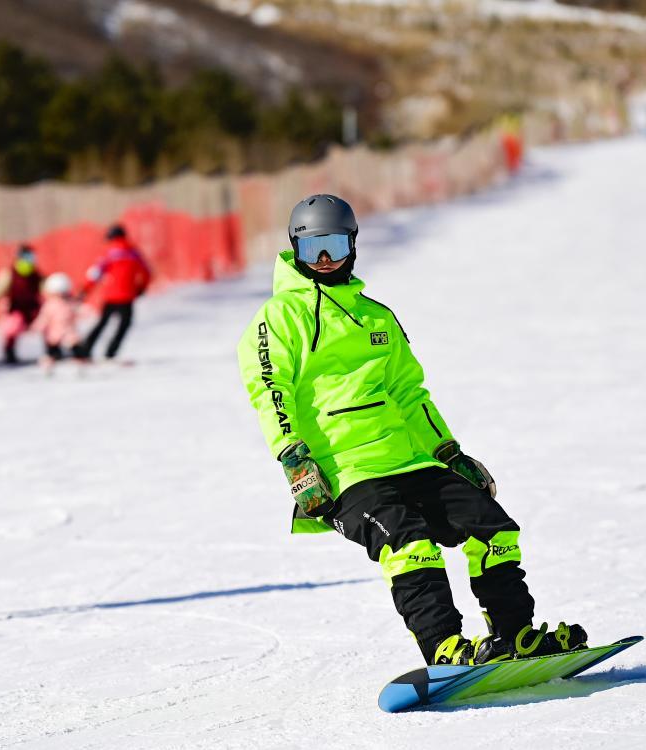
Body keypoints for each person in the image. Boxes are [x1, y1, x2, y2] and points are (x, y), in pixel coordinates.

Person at [236, 194, 587, 667]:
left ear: (354, 245)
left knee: (494, 526)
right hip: (344, 471)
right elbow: (269, 388)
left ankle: (514, 634)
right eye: (313, 248)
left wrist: (447, 452)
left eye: (335, 245)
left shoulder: (376, 317)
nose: (324, 260)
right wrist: (293, 456)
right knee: (409, 541)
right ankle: (444, 645)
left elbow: (409, 393)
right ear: (294, 249)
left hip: (410, 459)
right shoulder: (279, 319)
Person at [79, 225, 151, 361]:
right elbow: (147, 272)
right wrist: (141, 288)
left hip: (111, 295)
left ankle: (86, 348)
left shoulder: (109, 253)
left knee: (102, 323)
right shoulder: (134, 252)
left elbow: (96, 273)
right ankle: (111, 351)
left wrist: (85, 290)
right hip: (128, 296)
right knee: (124, 324)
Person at [0, 244, 44, 364]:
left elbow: (48, 290)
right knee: (13, 327)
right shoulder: (10, 274)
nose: (30, 260)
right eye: (27, 257)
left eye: (31, 257)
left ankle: (53, 350)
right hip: (15, 309)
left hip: (32, 310)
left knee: (51, 319)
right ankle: (9, 351)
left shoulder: (36, 275)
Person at [30, 272, 85, 371]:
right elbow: (44, 318)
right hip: (54, 334)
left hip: (69, 332)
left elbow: (78, 311)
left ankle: (80, 364)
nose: (62, 295)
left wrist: (82, 313)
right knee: (53, 351)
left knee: (76, 347)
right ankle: (47, 365)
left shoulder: (70, 303)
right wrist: (36, 327)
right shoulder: (50, 305)